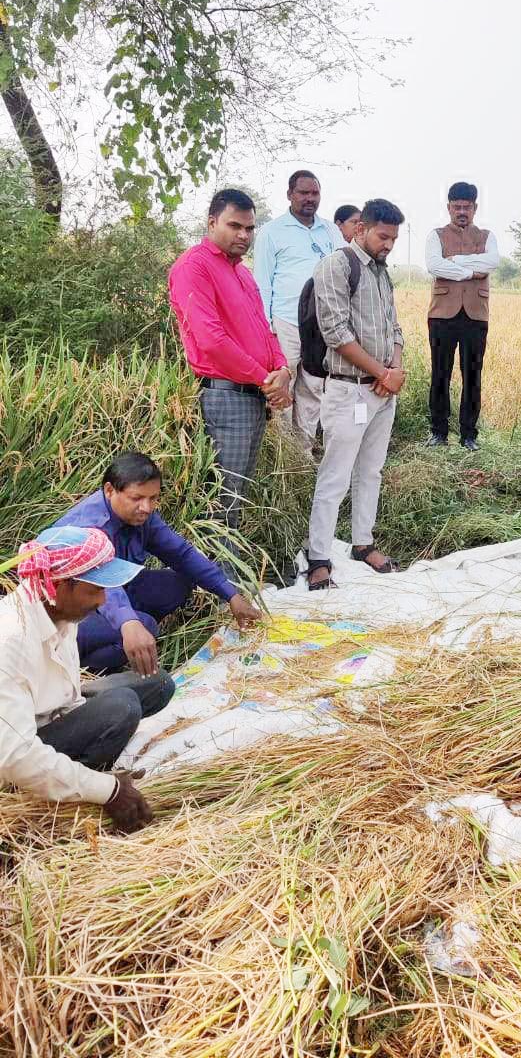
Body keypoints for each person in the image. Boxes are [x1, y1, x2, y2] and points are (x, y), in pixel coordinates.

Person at [0, 525, 174, 833]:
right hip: (17, 757)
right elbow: (14, 756)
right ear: (60, 585)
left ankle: (86, 766)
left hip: (50, 713)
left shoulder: (59, 611)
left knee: (157, 683)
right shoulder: (10, 640)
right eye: (95, 589)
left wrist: (82, 715)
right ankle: (79, 788)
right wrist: (107, 790)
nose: (102, 600)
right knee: (122, 707)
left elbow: (69, 697)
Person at [168, 188, 292, 569]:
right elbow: (211, 341)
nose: (243, 235)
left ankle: (228, 584)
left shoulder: (241, 272)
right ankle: (222, 593)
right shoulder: (194, 267)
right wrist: (264, 379)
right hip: (226, 398)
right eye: (234, 225)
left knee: (236, 496)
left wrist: (283, 370)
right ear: (211, 222)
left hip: (253, 396)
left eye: (249, 228)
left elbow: (262, 329)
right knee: (223, 500)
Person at [54, 452, 263, 675]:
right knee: (144, 626)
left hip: (113, 592)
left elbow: (181, 554)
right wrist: (129, 622)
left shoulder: (142, 516)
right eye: (137, 498)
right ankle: (82, 667)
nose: (146, 507)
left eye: (153, 498)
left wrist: (230, 594)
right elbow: (103, 585)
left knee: (179, 583)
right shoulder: (89, 527)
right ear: (109, 490)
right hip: (69, 612)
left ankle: (129, 638)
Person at [305, 199, 406, 589]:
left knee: (371, 471)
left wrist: (393, 371)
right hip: (348, 391)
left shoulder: (381, 272)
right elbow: (336, 333)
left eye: (394, 238)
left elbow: (394, 327)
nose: (389, 245)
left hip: (382, 392)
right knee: (335, 475)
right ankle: (318, 556)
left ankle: (363, 544)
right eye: (383, 236)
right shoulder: (337, 265)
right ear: (361, 227)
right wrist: (382, 372)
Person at [253, 170, 342, 448]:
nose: (310, 199)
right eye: (303, 193)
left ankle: (302, 454)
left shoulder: (330, 230)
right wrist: (266, 327)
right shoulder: (271, 232)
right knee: (283, 387)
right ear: (289, 194)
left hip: (321, 325)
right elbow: (261, 282)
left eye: (314, 193)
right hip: (285, 322)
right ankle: (282, 453)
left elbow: (342, 271)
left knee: (313, 389)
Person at [425, 182, 500, 450]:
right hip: (442, 315)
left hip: (476, 316)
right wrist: (471, 269)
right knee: (440, 374)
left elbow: (491, 263)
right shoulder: (436, 235)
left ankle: (469, 435)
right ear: (448, 207)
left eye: (466, 207)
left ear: (474, 208)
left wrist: (454, 262)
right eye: (456, 206)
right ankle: (438, 432)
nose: (461, 211)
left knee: (472, 375)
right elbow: (434, 265)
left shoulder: (487, 236)